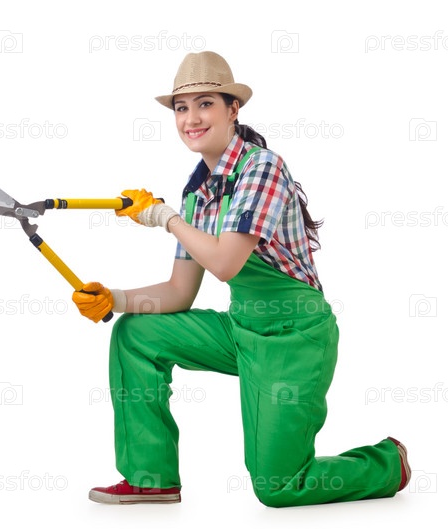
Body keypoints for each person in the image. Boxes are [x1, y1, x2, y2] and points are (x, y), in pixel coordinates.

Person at [72, 51, 410, 507]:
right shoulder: (196, 193)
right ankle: (151, 479)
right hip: (241, 330)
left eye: (205, 104)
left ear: (233, 109)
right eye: (181, 108)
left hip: (294, 338)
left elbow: (225, 264)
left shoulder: (261, 168)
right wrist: (113, 298)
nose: (191, 118)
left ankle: (387, 464)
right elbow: (179, 292)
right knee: (136, 333)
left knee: (278, 486)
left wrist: (165, 218)